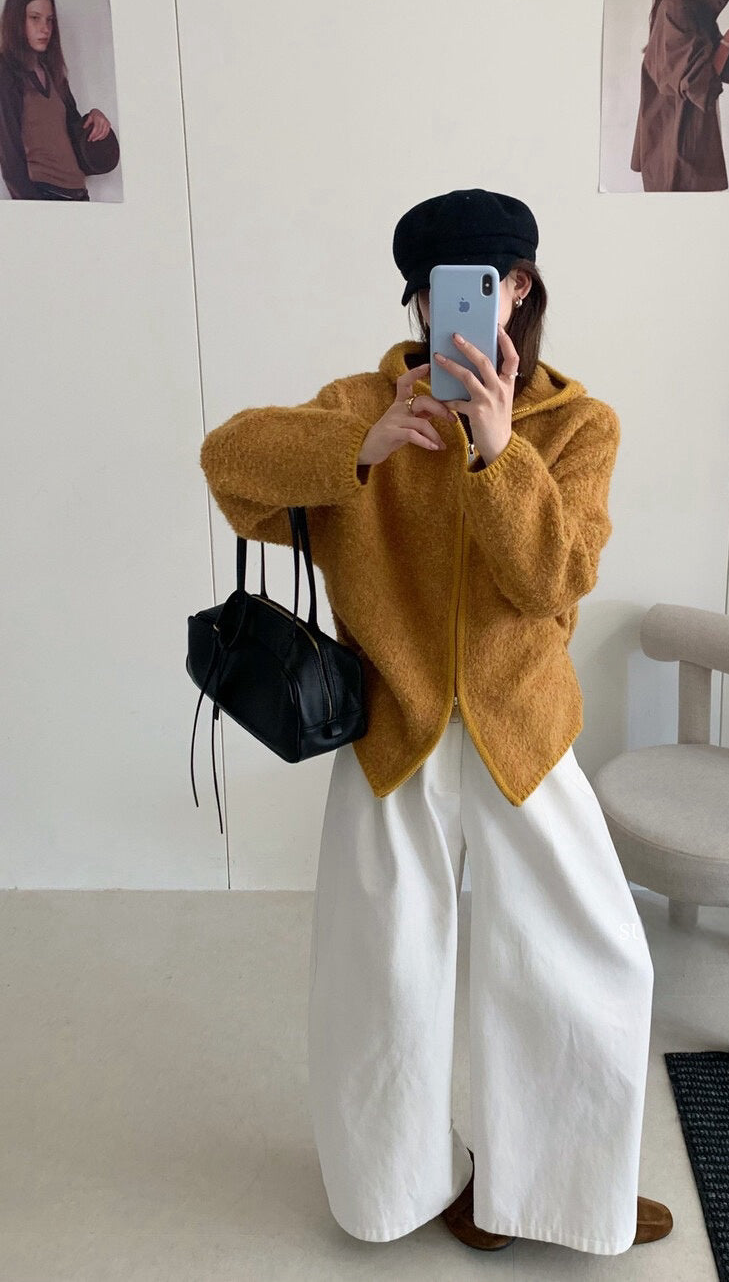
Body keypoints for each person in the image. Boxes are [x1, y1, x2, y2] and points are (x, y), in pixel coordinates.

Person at [198, 187, 672, 1255]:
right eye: (438, 290)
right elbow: (228, 465)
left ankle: (558, 1192)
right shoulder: (362, 404)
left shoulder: (577, 425)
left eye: (490, 283)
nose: (463, 307)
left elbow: (556, 576)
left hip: (521, 733)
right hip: (394, 731)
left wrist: (499, 454)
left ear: (521, 289)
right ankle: (400, 1189)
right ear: (416, 300)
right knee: (384, 978)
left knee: (589, 958)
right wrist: (357, 450)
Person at [630, 0, 729, 192]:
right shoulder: (677, 5)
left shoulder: (692, 2)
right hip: (676, 152)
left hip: (689, 148)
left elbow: (711, 64)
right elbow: (698, 82)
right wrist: (728, 41)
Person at [0, 0, 112, 201]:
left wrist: (94, 117)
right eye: (35, 18)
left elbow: (71, 130)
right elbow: (9, 157)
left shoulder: (53, 72)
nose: (45, 29)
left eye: (50, 20)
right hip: (44, 195)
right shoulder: (5, 71)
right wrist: (34, 209)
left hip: (79, 193)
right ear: (16, 19)